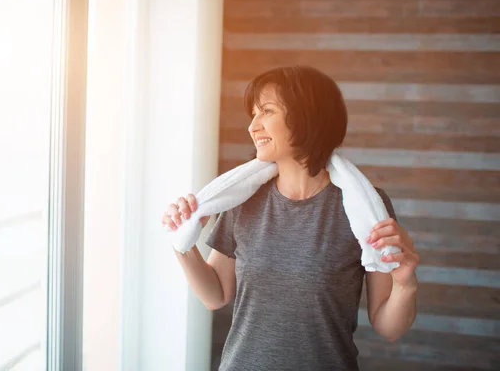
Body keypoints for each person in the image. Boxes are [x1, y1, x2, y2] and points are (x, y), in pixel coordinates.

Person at [161, 65, 419, 371]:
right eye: (253, 114)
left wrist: (406, 284)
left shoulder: (363, 208)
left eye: (267, 111)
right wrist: (183, 242)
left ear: (307, 117)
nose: (253, 126)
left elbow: (388, 327)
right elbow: (216, 295)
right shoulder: (242, 199)